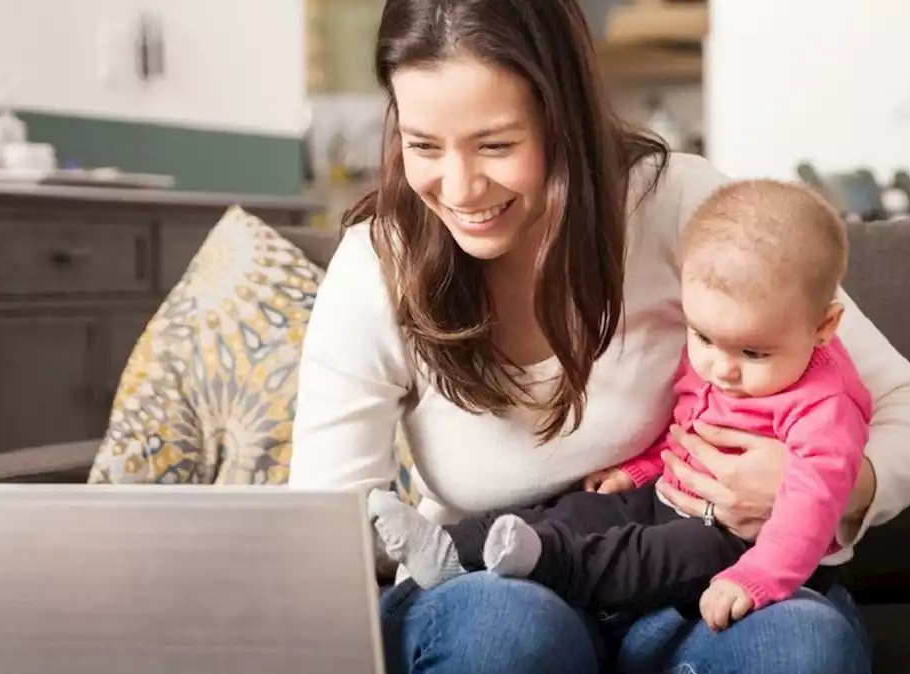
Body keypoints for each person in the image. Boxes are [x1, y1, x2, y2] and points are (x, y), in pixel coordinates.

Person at [289, 0, 910, 674]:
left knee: (798, 654)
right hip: (495, 595)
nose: (459, 189)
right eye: (424, 146)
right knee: (504, 638)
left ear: (565, 116)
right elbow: (329, 531)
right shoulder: (379, 263)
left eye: (494, 146)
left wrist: (830, 483)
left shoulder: (676, 203)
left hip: (688, 594)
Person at [365, 179, 874, 633]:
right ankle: (452, 548)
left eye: (753, 353)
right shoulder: (726, 351)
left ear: (824, 327)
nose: (722, 369)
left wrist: (759, 577)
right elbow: (687, 428)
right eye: (704, 338)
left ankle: (547, 565)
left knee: (666, 554)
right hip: (668, 495)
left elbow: (812, 508)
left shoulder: (826, 406)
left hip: (741, 546)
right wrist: (642, 467)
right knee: (578, 509)